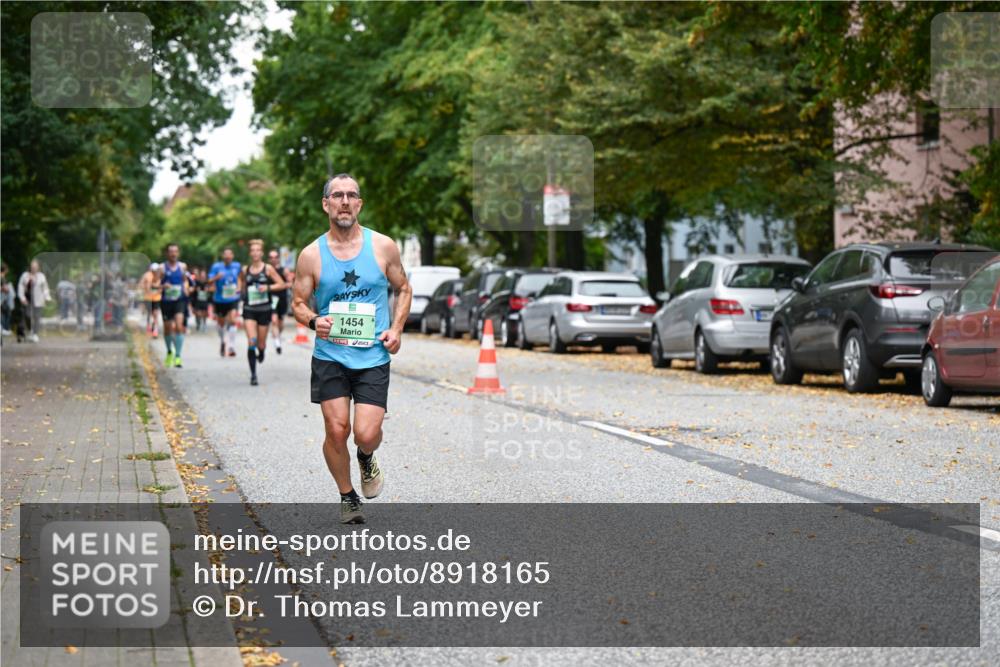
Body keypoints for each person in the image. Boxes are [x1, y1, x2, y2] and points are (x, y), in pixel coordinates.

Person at [293, 173, 412, 524]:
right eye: (337, 195)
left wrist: (396, 329)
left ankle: (365, 455)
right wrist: (315, 321)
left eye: (351, 195)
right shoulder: (311, 255)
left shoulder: (383, 247)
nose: (344, 201)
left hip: (373, 356)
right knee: (336, 429)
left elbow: (403, 288)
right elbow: (298, 303)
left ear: (359, 203)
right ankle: (347, 496)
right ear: (326, 204)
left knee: (366, 433)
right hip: (330, 356)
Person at [241, 240, 288, 386]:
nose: (255, 252)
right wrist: (241, 295)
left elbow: (281, 284)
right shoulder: (245, 269)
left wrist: (267, 288)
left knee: (261, 344)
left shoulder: (268, 269)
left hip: (264, 310)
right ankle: (253, 375)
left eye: (258, 250)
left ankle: (261, 352)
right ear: (250, 253)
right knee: (251, 341)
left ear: (261, 253)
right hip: (249, 309)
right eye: (252, 250)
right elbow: (242, 285)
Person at [157, 243, 190, 368]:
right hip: (166, 301)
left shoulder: (182, 266)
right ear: (167, 253)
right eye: (171, 251)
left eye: (175, 251)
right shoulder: (162, 268)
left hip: (180, 300)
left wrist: (186, 288)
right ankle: (169, 351)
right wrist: (163, 286)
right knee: (167, 328)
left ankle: (178, 356)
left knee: (179, 325)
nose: (173, 254)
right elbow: (156, 284)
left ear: (178, 253)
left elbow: (185, 280)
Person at [208, 247, 241, 357]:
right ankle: (223, 341)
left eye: (229, 255)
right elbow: (209, 281)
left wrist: (239, 288)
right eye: (225, 255)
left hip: (233, 298)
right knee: (221, 323)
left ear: (232, 256)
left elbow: (241, 278)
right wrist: (217, 277)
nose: (227, 257)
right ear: (223, 256)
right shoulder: (216, 267)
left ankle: (231, 346)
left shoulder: (237, 266)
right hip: (219, 299)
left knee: (232, 319)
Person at [17, 260, 51, 342]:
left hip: (38, 300)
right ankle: (30, 330)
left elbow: (45, 288)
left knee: (37, 317)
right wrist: (22, 298)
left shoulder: (41, 276)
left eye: (35, 267)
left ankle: (35, 334)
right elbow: (20, 287)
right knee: (27, 315)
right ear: (30, 267)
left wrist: (47, 297)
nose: (33, 268)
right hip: (27, 299)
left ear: (38, 267)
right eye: (32, 267)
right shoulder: (25, 275)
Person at [267, 249, 292, 354]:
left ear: (278, 258)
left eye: (275, 257)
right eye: (271, 257)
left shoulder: (284, 270)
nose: (273, 259)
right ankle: (277, 343)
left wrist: (280, 286)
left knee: (280, 323)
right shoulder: (267, 270)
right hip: (270, 299)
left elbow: (290, 283)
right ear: (269, 259)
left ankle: (278, 335)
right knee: (274, 320)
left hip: (282, 299)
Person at [140, 263, 161, 337]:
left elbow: (162, 286)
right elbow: (141, 284)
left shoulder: (160, 275)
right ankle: (148, 327)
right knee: (149, 313)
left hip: (156, 298)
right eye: (154, 270)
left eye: (157, 270)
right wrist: (146, 287)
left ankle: (155, 329)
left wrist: (158, 289)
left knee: (155, 314)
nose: (155, 271)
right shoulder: (146, 275)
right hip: (148, 298)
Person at [191, 267, 210, 332]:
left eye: (204, 275)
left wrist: (208, 290)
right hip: (197, 300)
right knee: (198, 313)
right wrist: (196, 289)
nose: (203, 276)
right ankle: (198, 323)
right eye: (201, 275)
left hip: (205, 300)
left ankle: (204, 323)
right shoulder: (196, 282)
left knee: (205, 313)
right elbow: (192, 289)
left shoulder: (208, 282)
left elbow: (213, 289)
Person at [1, 263, 13, 336]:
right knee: (6, 313)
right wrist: (6, 289)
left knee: (4, 313)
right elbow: (4, 288)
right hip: (3, 299)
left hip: (3, 298)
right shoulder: (2, 277)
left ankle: (4, 329)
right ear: (5, 270)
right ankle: (4, 329)